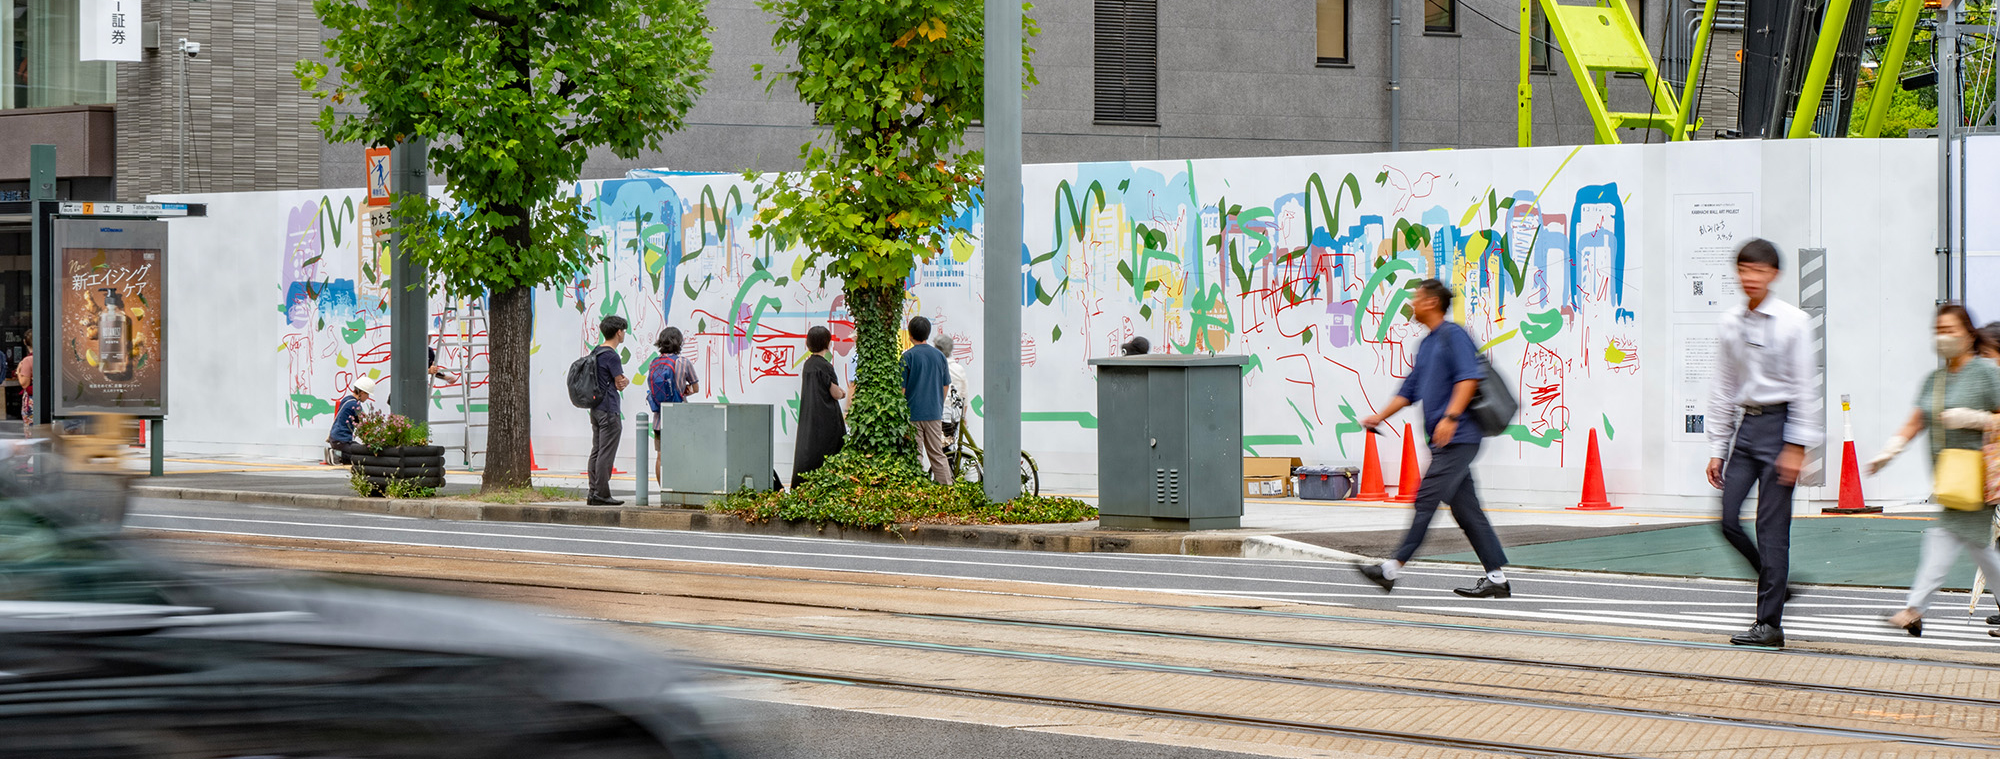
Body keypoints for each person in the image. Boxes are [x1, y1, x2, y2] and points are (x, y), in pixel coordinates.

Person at [1356, 279, 1512, 599]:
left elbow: (1469, 377)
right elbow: (1409, 390)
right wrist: (1379, 416)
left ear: (1430, 303)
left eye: (1416, 298)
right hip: (1444, 441)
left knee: (1425, 499)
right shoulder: (1427, 344)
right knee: (1467, 511)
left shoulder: (1454, 335)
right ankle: (1496, 578)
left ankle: (1391, 570)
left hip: (1460, 437)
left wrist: (1451, 417)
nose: (1412, 303)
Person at [1703, 238, 1821, 648]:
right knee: (1728, 520)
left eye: (1759, 271)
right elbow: (1723, 385)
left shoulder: (1793, 322)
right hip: (1746, 429)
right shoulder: (1731, 321)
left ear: (1774, 276)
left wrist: (1797, 447)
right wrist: (1719, 446)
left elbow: (1806, 387)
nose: (1750, 277)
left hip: (1781, 426)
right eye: (1744, 269)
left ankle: (1769, 624)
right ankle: (1777, 583)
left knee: (1772, 529)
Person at [1867, 304, 2000, 638]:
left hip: (1980, 478)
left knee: (1954, 541)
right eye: (1939, 331)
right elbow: (1917, 419)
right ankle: (1914, 610)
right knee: (1980, 550)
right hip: (1954, 480)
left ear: (1969, 335)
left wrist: (1975, 418)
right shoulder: (1935, 380)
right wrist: (1889, 451)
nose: (1944, 338)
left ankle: (1913, 610)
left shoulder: (1986, 372)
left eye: (1951, 330)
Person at [793, 326, 846, 488]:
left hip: (810, 416)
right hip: (827, 418)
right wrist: (843, 393)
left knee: (810, 451)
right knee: (830, 452)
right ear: (827, 343)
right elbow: (835, 393)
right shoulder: (825, 366)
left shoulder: (808, 365)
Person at [647, 326, 701, 485]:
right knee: (683, 453)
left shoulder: (654, 363)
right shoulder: (683, 362)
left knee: (660, 456)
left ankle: (663, 490)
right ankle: (680, 489)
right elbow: (695, 388)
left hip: (659, 418)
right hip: (680, 416)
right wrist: (685, 391)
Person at [586, 316, 630, 506]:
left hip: (595, 408)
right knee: (606, 452)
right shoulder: (612, 355)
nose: (624, 334)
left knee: (596, 450)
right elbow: (620, 383)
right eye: (624, 331)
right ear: (618, 332)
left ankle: (593, 492)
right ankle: (602, 493)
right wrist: (624, 381)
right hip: (609, 408)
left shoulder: (596, 352)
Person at [902, 316, 951, 486]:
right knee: (937, 454)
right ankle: (947, 492)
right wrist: (938, 403)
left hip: (912, 414)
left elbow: (902, 390)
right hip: (934, 413)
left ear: (910, 335)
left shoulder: (907, 357)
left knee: (914, 455)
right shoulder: (939, 356)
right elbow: (946, 385)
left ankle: (916, 492)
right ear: (928, 334)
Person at [327, 376, 376, 463]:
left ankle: (336, 453)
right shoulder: (355, 405)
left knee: (357, 448)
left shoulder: (347, 399)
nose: (367, 397)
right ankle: (337, 455)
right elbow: (363, 426)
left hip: (335, 439)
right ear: (361, 392)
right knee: (363, 455)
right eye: (367, 394)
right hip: (342, 441)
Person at [934, 334, 969, 441]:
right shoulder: (959, 369)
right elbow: (965, 395)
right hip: (955, 415)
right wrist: (963, 416)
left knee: (940, 449)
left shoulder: (935, 367)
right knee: (947, 447)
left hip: (939, 414)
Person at [16, 334, 33, 428]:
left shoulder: (28, 360)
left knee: (30, 430)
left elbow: (24, 383)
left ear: (25, 342)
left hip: (32, 399)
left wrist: (18, 371)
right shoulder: (48, 356)